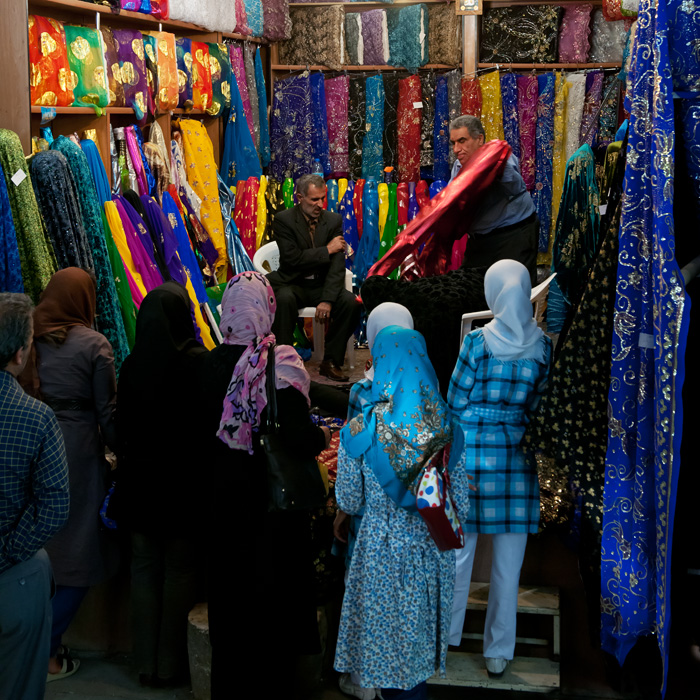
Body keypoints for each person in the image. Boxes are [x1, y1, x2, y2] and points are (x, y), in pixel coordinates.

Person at [198, 271, 329, 699]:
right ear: (266, 306)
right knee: (274, 608)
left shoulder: (208, 364)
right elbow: (297, 436)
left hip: (223, 508)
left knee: (232, 611)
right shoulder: (280, 363)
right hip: (272, 510)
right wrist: (323, 438)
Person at [334, 326, 470, 700]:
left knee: (384, 655)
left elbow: (349, 498)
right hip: (429, 557)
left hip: (378, 552)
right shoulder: (448, 428)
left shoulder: (361, 428)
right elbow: (461, 503)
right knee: (414, 657)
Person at [447, 260, 552, 677]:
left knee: (458, 558)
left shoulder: (476, 343)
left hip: (471, 456)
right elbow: (541, 406)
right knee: (508, 570)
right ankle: (498, 652)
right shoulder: (543, 347)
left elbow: (453, 402)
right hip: (517, 461)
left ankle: (445, 637)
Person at [115, 281, 208, 688]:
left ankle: (143, 663)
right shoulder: (196, 362)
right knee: (179, 573)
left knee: (143, 571)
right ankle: (171, 666)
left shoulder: (132, 365)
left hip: (139, 486)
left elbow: (121, 428)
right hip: (181, 488)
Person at [29, 268, 119, 682]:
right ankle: (45, 652)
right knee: (80, 548)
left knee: (34, 548)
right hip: (76, 449)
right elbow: (107, 413)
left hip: (29, 442)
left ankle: (31, 644)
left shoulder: (26, 337)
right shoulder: (94, 345)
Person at [335, 302, 415, 700]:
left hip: (371, 521)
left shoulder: (363, 393)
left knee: (369, 599)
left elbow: (352, 458)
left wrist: (344, 509)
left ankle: (366, 684)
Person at [0, 293, 69, 700]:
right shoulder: (36, 417)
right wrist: (8, 550)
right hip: (15, 580)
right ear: (21, 353)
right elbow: (54, 505)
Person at [267, 173, 361, 382]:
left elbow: (337, 266)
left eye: (322, 198)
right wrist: (326, 250)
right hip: (293, 282)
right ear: (299, 197)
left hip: (321, 284)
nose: (320, 204)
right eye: (314, 200)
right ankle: (282, 362)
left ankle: (331, 361)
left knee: (351, 304)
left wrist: (327, 299)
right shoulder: (284, 220)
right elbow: (292, 260)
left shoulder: (333, 220)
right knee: (283, 299)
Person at [449, 116, 538, 285]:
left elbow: (516, 187)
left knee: (513, 288)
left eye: (462, 141)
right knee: (470, 287)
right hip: (480, 239)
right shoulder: (459, 167)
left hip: (514, 233)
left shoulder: (500, 158)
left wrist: (494, 166)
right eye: (453, 143)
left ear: (479, 139)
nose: (456, 149)